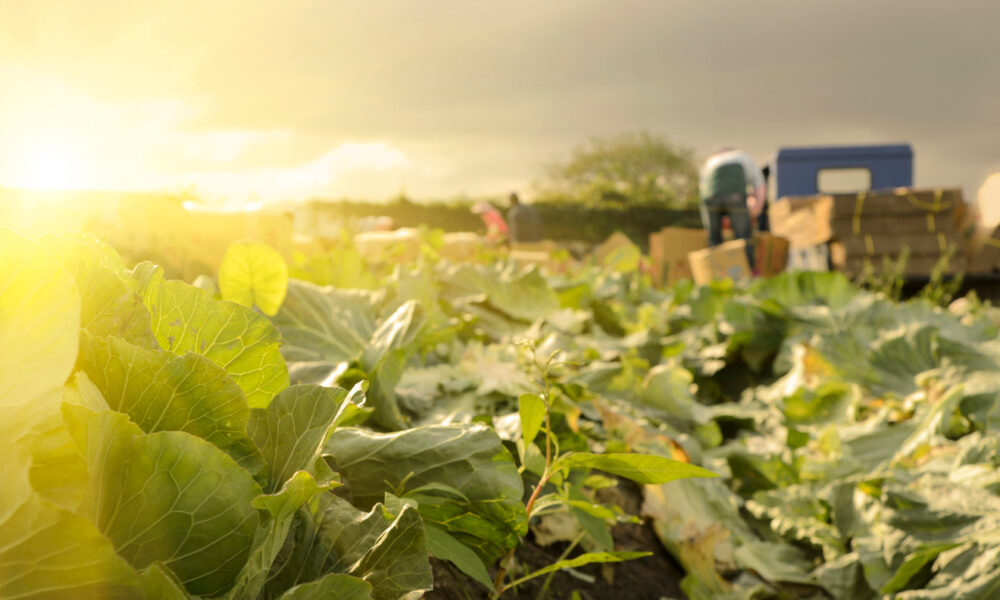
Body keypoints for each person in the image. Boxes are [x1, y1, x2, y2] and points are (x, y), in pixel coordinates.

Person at [698, 147, 766, 268]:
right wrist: (756, 210)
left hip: (711, 199)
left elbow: (703, 190)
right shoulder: (743, 156)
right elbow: (759, 185)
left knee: (714, 239)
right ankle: (747, 274)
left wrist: (712, 220)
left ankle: (715, 274)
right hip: (735, 197)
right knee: (743, 237)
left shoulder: (711, 160)